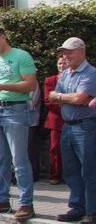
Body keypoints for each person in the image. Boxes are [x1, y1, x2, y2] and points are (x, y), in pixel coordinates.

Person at [0, 25, 38, 221]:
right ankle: (3, 199)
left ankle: (25, 203)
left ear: (3, 38)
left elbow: (30, 84)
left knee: (19, 160)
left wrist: (2, 86)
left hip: (17, 109)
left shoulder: (22, 56)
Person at [49, 38, 96, 224]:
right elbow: (53, 97)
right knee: (71, 169)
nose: (66, 56)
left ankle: (92, 212)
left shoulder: (91, 73)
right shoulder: (66, 74)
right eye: (64, 52)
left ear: (82, 52)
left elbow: (81, 98)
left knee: (89, 170)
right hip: (68, 125)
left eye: (70, 52)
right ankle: (77, 207)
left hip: (85, 126)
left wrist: (64, 97)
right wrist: (67, 97)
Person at [44, 53, 67, 184]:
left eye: (64, 63)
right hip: (56, 120)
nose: (62, 66)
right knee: (55, 148)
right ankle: (55, 175)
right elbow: (48, 101)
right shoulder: (50, 80)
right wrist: (66, 108)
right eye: (59, 63)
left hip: (73, 119)